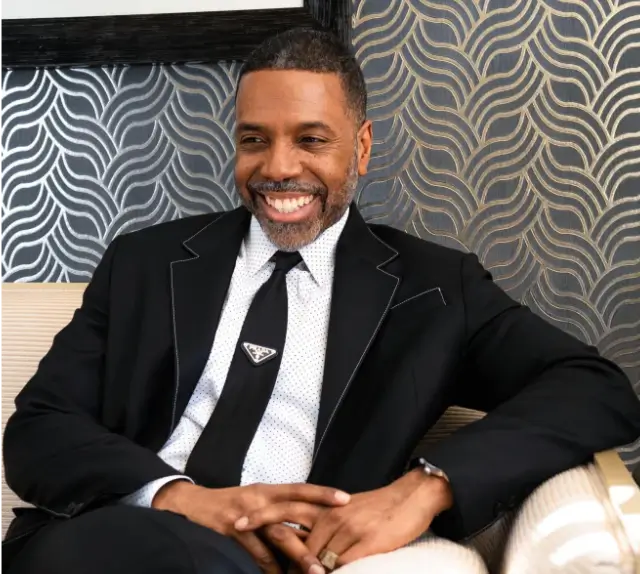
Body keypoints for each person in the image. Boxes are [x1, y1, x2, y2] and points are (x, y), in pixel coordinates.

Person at [2, 27, 640, 574]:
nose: (278, 168)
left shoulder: (435, 288)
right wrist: (181, 498)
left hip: (292, 555)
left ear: (360, 147)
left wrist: (426, 487)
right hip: (113, 540)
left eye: (311, 140)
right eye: (254, 140)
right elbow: (38, 429)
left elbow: (596, 388)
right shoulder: (144, 263)